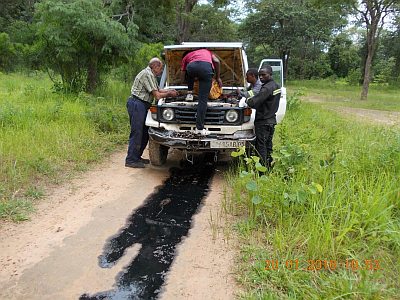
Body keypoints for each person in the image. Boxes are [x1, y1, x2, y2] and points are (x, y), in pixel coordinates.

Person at [125, 58, 178, 168]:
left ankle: (136, 157)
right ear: (155, 66)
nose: (161, 70)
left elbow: (159, 90)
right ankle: (131, 159)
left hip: (143, 104)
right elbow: (157, 95)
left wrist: (171, 91)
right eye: (161, 68)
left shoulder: (151, 75)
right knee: (137, 131)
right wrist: (169, 94)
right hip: (137, 103)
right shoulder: (147, 74)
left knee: (145, 132)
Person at [246, 65, 281, 168]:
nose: (261, 77)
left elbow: (254, 102)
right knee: (268, 145)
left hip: (263, 121)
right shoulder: (276, 85)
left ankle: (262, 170)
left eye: (264, 75)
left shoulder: (266, 88)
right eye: (259, 75)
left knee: (261, 146)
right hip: (271, 120)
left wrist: (247, 101)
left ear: (270, 74)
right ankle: (269, 166)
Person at [181, 49, 222, 135]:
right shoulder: (207, 51)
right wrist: (218, 77)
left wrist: (190, 80)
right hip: (206, 70)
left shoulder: (186, 57)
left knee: (188, 71)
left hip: (191, 68)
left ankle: (189, 94)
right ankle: (199, 128)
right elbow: (217, 61)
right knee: (202, 100)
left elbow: (182, 76)